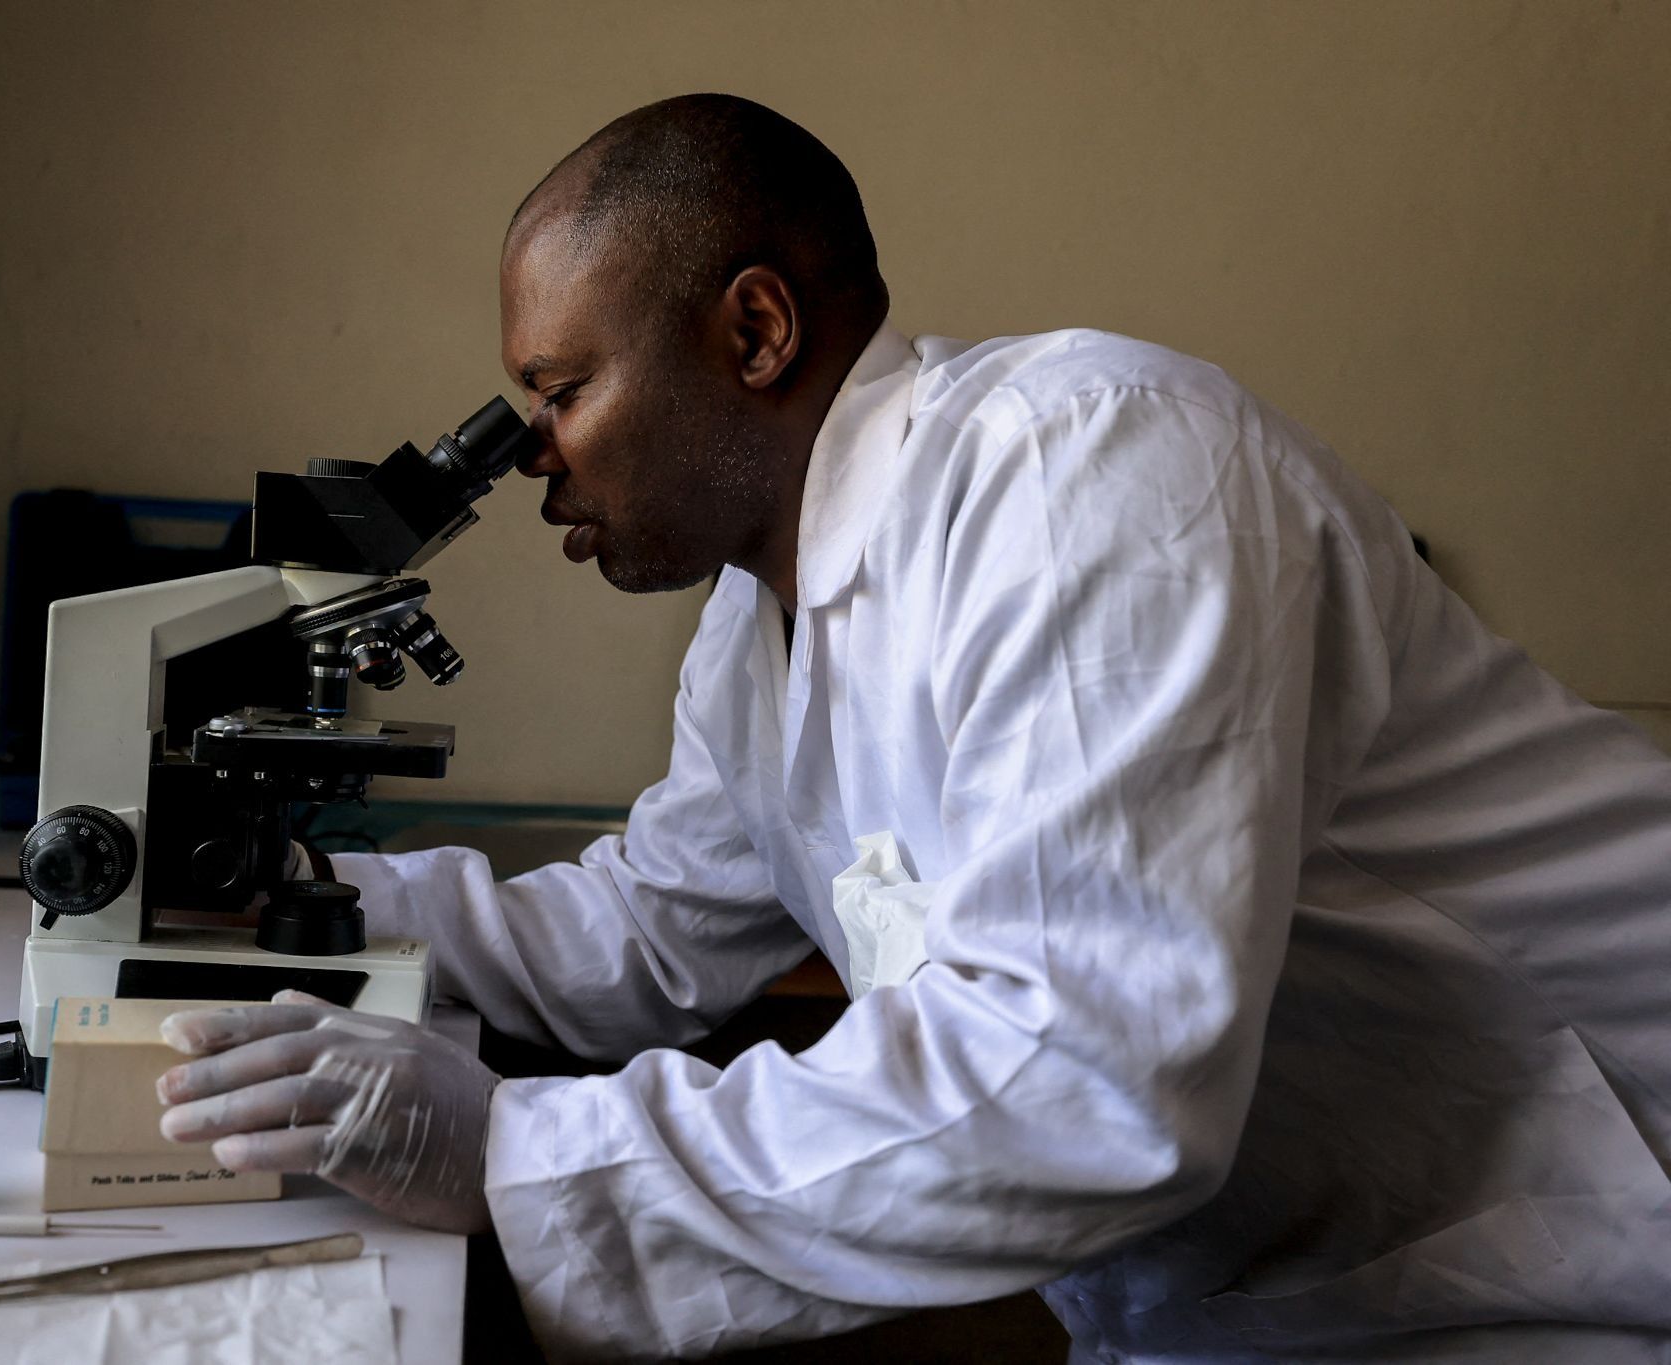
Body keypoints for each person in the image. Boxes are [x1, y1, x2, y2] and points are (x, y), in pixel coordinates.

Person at [153, 94, 1671, 1361]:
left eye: (560, 389)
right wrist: (296, 910)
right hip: (1284, 1287)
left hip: (1583, 1248)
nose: (535, 459)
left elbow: (1084, 1074)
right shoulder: (762, 629)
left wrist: (505, 1150)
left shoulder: (1085, 476)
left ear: (753, 328)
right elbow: (648, 932)